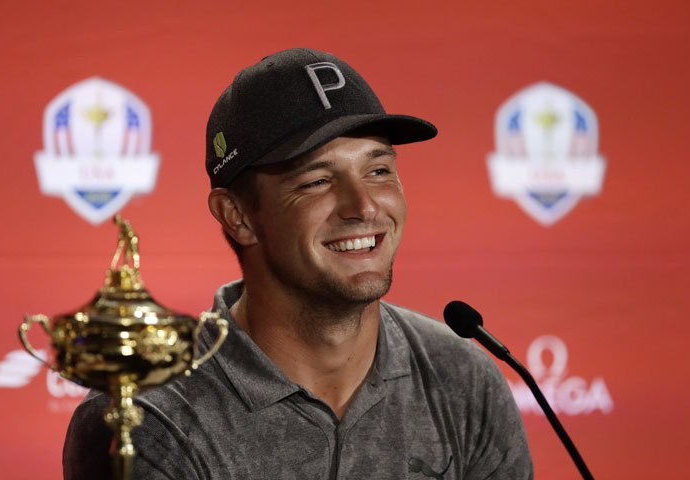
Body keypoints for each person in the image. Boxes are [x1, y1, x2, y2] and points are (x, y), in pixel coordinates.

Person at [63, 48, 533, 479]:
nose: (364, 206)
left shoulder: (464, 378)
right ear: (238, 215)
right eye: (316, 181)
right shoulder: (145, 415)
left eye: (378, 170)